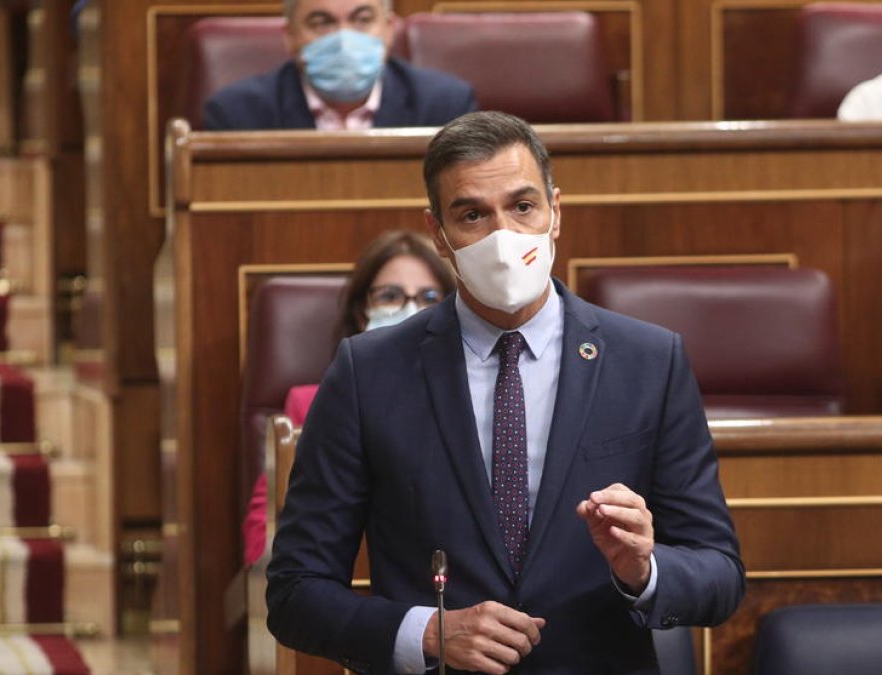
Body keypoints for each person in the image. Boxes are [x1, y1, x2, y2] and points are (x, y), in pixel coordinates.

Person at [267, 111, 744, 674]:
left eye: (522, 207)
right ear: (439, 235)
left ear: (555, 213)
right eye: (472, 215)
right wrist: (426, 632)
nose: (503, 235)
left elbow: (720, 577)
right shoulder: (366, 373)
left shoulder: (648, 362)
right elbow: (295, 593)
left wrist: (645, 570)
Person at [242, 230, 455, 566]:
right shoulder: (308, 406)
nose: (411, 310)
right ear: (361, 312)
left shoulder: (480, 402)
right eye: (390, 296)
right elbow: (263, 541)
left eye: (430, 297)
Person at [203, 0, 477, 131]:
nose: (344, 39)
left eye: (361, 19)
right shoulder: (237, 115)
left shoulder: (445, 106)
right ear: (290, 37)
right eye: (321, 22)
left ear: (389, 29)